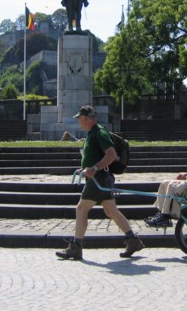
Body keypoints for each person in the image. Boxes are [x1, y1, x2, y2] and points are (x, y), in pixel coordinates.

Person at [56, 105, 144, 260]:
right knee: (111, 211)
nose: (79, 122)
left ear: (85, 119)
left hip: (99, 179)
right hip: (100, 177)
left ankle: (76, 247)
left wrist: (94, 168)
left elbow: (111, 154)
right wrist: (86, 167)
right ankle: (133, 240)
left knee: (81, 208)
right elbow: (94, 156)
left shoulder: (100, 132)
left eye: (80, 119)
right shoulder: (92, 133)